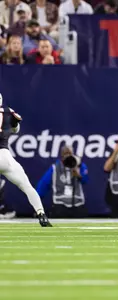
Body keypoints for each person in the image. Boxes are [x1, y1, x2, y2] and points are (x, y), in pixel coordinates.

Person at [0, 93, 51, 226]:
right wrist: (14, 123)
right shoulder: (8, 111)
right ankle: (41, 214)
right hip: (4, 156)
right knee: (26, 186)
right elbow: (16, 129)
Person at [36, 145, 89, 217]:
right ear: (61, 155)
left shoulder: (80, 165)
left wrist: (78, 174)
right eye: (65, 153)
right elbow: (43, 185)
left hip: (77, 204)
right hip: (60, 204)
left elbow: (85, 180)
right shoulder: (54, 168)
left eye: (69, 153)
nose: (67, 156)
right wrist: (36, 201)